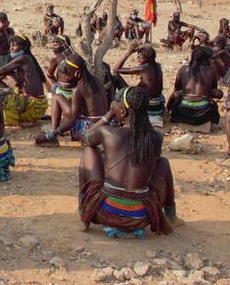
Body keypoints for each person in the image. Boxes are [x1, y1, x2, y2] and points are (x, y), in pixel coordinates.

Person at [79, 87, 184, 238]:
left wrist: (108, 116)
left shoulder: (108, 132)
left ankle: (83, 208)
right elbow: (151, 167)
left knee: (90, 151)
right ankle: (171, 215)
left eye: (115, 103)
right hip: (141, 217)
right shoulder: (155, 138)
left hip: (106, 212)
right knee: (163, 163)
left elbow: (86, 137)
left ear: (122, 112)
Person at [36, 54, 109, 146]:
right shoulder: (97, 80)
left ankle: (53, 138)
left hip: (89, 129)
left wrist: (49, 135)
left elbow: (71, 121)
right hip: (103, 125)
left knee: (57, 97)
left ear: (77, 73)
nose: (66, 78)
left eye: (67, 74)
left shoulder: (80, 89)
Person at [0, 34, 48, 127]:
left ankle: (10, 118)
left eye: (14, 45)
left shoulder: (24, 59)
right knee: (6, 87)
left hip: (33, 106)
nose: (11, 48)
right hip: (35, 107)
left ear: (24, 47)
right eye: (10, 45)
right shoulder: (27, 60)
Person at [167, 46, 222, 126]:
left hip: (183, 112)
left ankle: (167, 112)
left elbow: (176, 90)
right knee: (213, 103)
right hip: (204, 114)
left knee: (176, 95)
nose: (212, 61)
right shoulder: (211, 70)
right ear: (204, 59)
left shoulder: (183, 69)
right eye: (210, 58)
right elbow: (212, 91)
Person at [113, 43, 164, 125]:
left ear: (148, 59)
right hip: (157, 108)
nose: (138, 60)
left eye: (140, 58)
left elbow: (116, 69)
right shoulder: (158, 66)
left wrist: (128, 52)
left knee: (115, 77)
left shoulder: (144, 68)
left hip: (146, 107)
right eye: (138, 57)